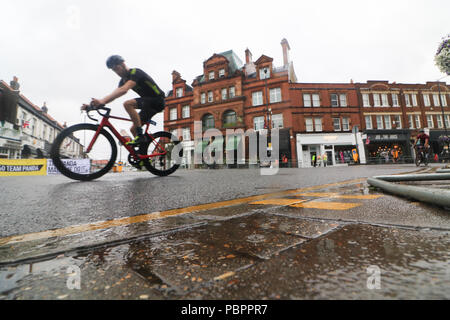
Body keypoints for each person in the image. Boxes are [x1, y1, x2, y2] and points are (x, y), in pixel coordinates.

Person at [82, 55, 165, 146]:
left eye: (117, 68)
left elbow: (123, 90)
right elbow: (114, 95)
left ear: (123, 64)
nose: (117, 72)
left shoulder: (135, 73)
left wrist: (102, 101)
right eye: (114, 70)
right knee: (133, 130)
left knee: (128, 104)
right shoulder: (123, 80)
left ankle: (140, 136)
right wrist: (93, 106)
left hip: (158, 100)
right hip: (148, 105)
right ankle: (142, 154)